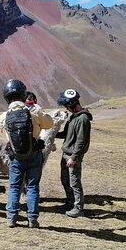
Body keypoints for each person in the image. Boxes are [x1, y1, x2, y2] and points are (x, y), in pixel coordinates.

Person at [0, 79, 55, 228]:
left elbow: (1, 129)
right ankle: (32, 218)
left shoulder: (4, 116)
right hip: (34, 155)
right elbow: (50, 124)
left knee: (14, 186)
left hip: (16, 157)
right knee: (32, 186)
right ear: (23, 94)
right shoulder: (34, 111)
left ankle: (11, 218)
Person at [55, 88, 92, 217]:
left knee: (75, 182)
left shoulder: (82, 119)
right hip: (66, 154)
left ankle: (78, 208)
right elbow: (66, 135)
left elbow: (80, 142)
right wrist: (52, 133)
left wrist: (74, 158)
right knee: (65, 180)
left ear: (71, 104)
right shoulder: (73, 117)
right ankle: (70, 202)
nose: (66, 109)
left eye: (66, 106)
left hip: (72, 156)